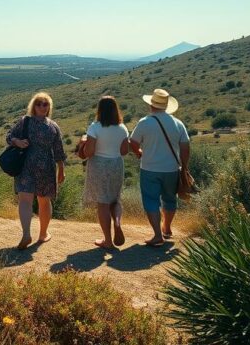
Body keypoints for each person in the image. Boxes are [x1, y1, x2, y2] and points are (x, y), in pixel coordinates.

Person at [129, 88, 191, 247]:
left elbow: (133, 142)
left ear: (151, 105)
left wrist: (139, 152)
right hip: (171, 169)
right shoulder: (178, 123)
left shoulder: (144, 122)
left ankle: (157, 235)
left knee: (151, 201)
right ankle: (167, 228)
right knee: (170, 199)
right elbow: (185, 146)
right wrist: (184, 167)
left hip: (149, 168)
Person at [6, 92, 67, 250]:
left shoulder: (45, 125)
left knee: (34, 200)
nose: (42, 106)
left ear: (49, 107)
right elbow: (9, 136)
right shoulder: (45, 125)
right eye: (39, 103)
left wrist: (61, 169)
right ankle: (36, 234)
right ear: (34, 106)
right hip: (38, 166)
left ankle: (35, 234)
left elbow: (59, 150)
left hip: (36, 166)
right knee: (38, 200)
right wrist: (17, 142)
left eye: (45, 104)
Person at [77, 95, 129, 249]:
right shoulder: (122, 128)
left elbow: (90, 152)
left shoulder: (95, 127)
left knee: (103, 203)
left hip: (99, 165)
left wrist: (83, 144)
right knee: (115, 200)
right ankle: (117, 223)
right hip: (116, 164)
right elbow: (125, 151)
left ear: (99, 110)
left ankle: (107, 240)